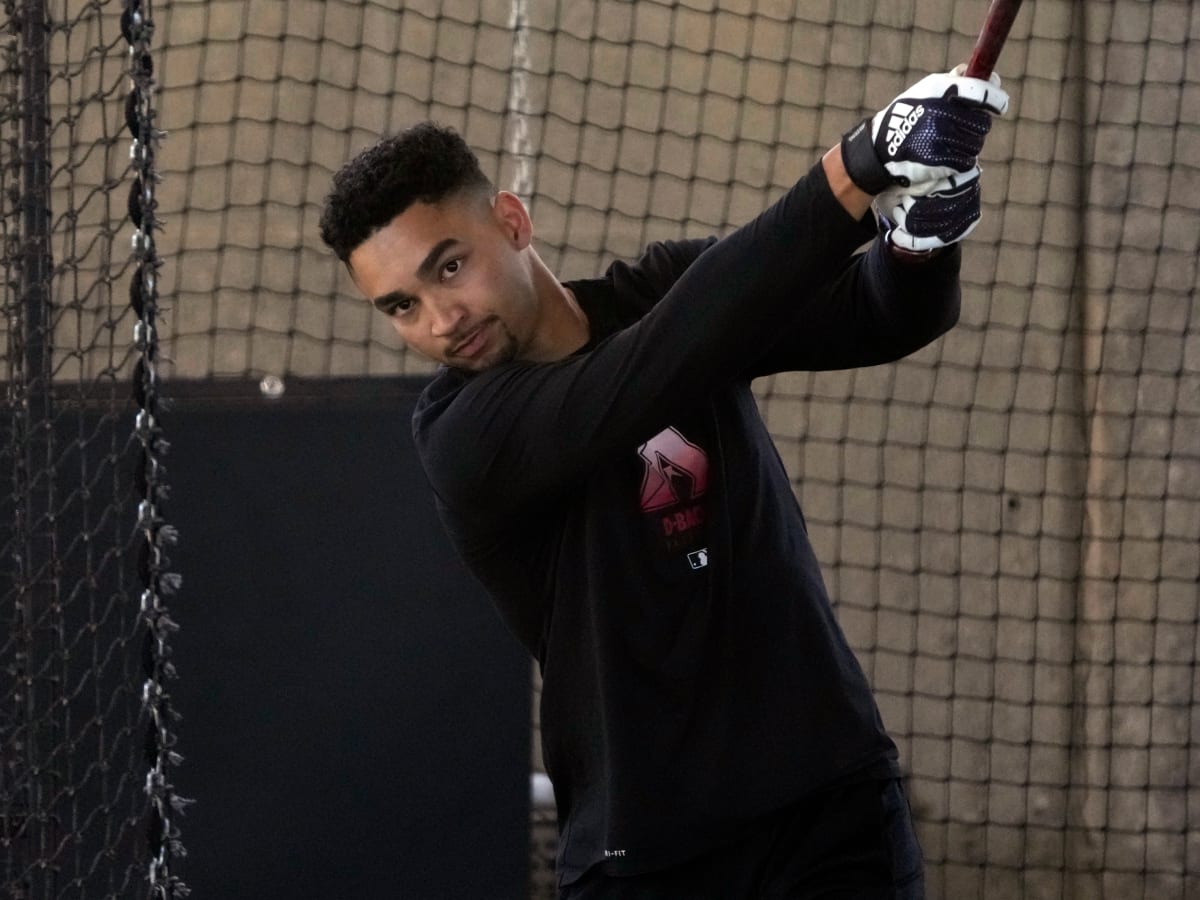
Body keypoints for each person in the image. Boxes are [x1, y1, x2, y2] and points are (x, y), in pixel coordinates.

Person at [320, 67, 1007, 899]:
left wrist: (921, 241)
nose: (439, 318)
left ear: (511, 219)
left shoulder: (666, 293)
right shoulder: (464, 436)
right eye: (401, 306)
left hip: (829, 806)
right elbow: (663, 358)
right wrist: (858, 163)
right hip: (649, 858)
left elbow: (885, 312)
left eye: (450, 267)